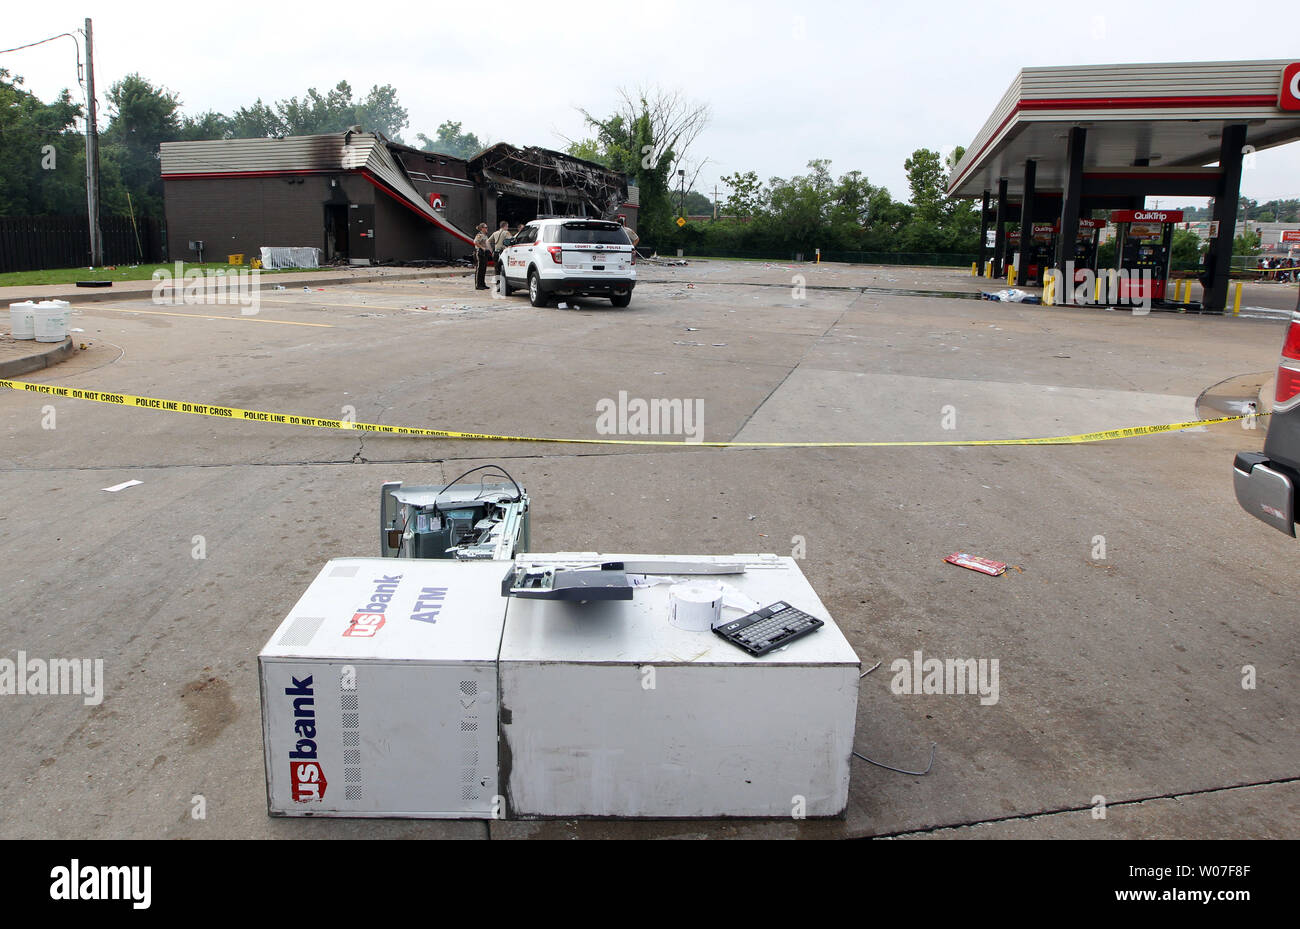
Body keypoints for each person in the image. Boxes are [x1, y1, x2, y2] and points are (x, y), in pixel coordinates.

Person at [473, 222, 491, 290]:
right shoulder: (479, 235)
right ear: (482, 228)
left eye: (487, 227)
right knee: (479, 269)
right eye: (485, 227)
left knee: (483, 269)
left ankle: (482, 284)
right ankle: (478, 285)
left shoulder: (485, 235)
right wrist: (482, 247)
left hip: (484, 253)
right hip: (480, 253)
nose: (487, 228)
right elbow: (475, 242)